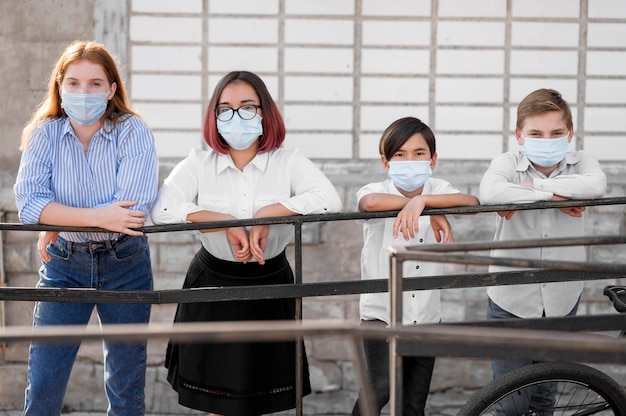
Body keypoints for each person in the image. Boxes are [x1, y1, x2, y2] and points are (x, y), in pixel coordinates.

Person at [150, 70, 343, 415]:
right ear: (214, 115)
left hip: (270, 284)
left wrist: (275, 211)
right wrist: (221, 221)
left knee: (261, 397)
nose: (235, 116)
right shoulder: (199, 162)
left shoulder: (288, 160)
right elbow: (161, 209)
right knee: (216, 402)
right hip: (212, 287)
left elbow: (329, 199)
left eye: (247, 107)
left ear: (265, 112)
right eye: (225, 108)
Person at [13, 40, 159, 416]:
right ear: (60, 88)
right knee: (44, 382)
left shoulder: (133, 131)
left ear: (112, 89)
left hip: (125, 263)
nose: (83, 92)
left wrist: (57, 216)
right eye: (74, 83)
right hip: (65, 264)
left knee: (126, 386)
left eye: (96, 83)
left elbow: (131, 210)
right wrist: (95, 216)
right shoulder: (44, 134)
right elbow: (29, 205)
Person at [479, 88, 607, 414]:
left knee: (544, 398)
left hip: (562, 297)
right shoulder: (506, 162)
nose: (546, 140)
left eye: (556, 133)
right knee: (510, 403)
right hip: (511, 297)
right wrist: (558, 198)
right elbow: (490, 192)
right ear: (519, 135)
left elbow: (595, 185)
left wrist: (533, 190)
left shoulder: (582, 161)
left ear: (570, 134)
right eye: (536, 133)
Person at [351, 116, 479, 416]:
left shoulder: (439, 189)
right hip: (381, 315)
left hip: (426, 317)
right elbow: (368, 203)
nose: (410, 160)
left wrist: (423, 203)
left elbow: (471, 203)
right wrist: (422, 205)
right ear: (386, 162)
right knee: (378, 390)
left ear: (432, 160)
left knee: (413, 401)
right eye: (400, 154)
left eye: (419, 153)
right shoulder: (376, 189)